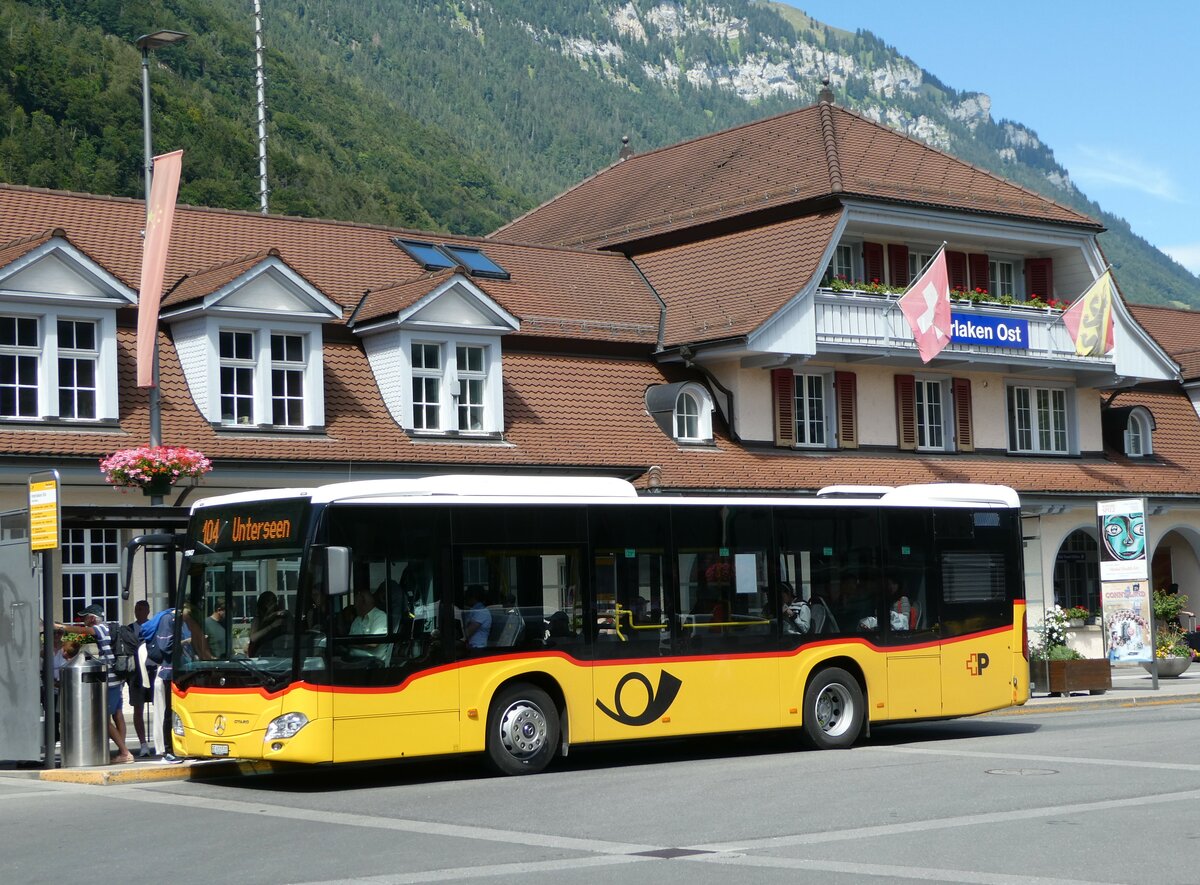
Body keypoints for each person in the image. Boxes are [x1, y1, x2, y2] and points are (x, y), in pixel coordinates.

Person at [56, 604, 132, 764]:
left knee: (103, 717)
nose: (83, 622)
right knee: (118, 715)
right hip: (118, 679)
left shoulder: (101, 629)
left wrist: (61, 627)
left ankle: (125, 752)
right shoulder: (111, 628)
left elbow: (83, 632)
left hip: (110, 681)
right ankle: (122, 752)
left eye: (85, 618)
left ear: (92, 618)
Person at [126, 600, 155, 757]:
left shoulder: (154, 627)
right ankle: (143, 744)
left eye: (142, 609)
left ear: (148, 611)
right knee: (138, 708)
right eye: (137, 609)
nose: (139, 612)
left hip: (153, 670)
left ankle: (163, 741)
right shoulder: (129, 629)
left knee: (161, 706)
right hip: (137, 673)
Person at [349, 586, 389, 660]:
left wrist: (355, 645)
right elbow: (349, 640)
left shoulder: (380, 616)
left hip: (374, 660)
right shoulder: (357, 619)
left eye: (356, 603)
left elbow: (373, 643)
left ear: (363, 602)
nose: (354, 607)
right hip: (356, 658)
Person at [247, 590, 288, 656]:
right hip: (261, 652)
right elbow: (253, 638)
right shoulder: (258, 619)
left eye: (272, 603)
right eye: (268, 604)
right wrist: (271, 626)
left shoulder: (278, 616)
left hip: (277, 651)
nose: (269, 607)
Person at [463, 585, 492, 649]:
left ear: (473, 597)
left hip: (477, 648)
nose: (465, 599)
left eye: (467, 596)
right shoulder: (474, 610)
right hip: (470, 646)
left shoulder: (481, 612)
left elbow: (467, 633)